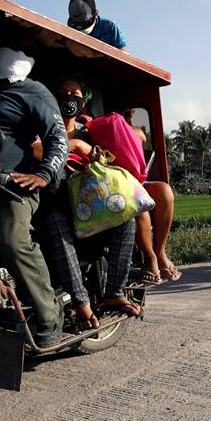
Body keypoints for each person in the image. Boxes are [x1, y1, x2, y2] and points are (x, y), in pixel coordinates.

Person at [0, 47, 68, 347]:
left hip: (12, 186)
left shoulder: (34, 91)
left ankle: (50, 314)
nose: (10, 51)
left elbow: (58, 138)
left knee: (11, 237)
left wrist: (43, 175)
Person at [35, 77, 141, 329]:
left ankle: (114, 291)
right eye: (62, 93)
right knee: (54, 220)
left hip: (89, 203)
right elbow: (34, 150)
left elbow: (134, 136)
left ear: (84, 100)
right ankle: (81, 302)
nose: (69, 97)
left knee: (126, 218)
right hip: (57, 201)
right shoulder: (43, 125)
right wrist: (74, 145)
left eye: (75, 93)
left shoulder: (90, 128)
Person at [122, 109, 181, 283]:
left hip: (132, 180)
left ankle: (160, 250)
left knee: (164, 191)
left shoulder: (117, 124)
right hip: (110, 183)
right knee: (140, 203)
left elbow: (141, 136)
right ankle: (150, 258)